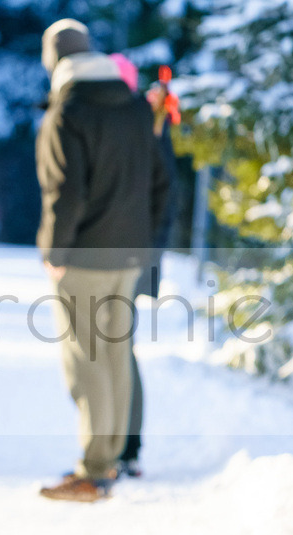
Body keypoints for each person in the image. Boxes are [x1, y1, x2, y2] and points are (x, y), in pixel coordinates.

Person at [35, 19, 170, 502]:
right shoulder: (135, 108)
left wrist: (56, 251)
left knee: (85, 358)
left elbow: (65, 192)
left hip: (85, 256)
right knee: (114, 354)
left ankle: (93, 471)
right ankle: (110, 461)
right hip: (129, 253)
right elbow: (161, 182)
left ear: (54, 62)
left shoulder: (67, 110)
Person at [109, 55, 181, 479]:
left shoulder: (146, 127)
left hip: (130, 256)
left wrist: (146, 259)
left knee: (116, 348)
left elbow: (162, 197)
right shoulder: (142, 125)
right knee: (114, 347)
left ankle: (124, 445)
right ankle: (121, 444)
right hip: (131, 254)